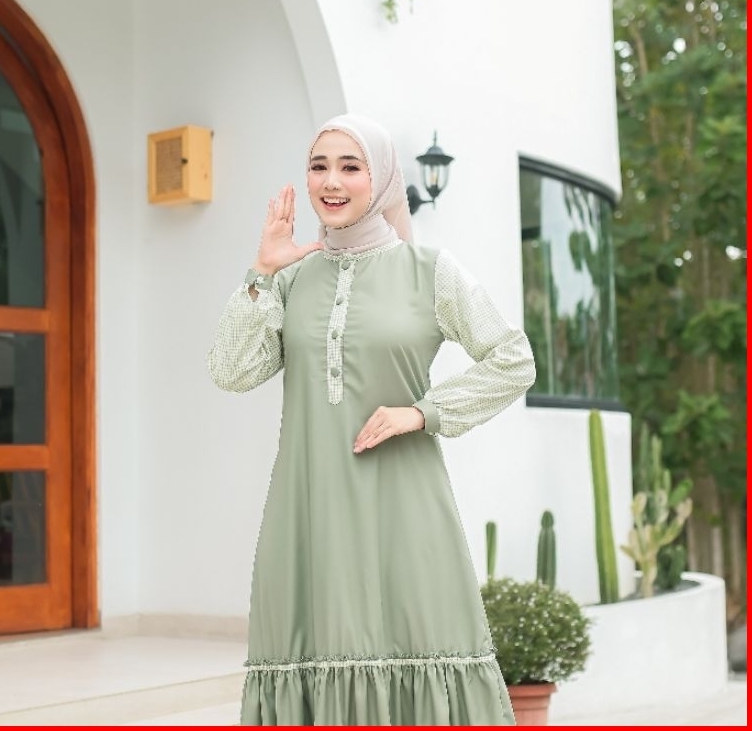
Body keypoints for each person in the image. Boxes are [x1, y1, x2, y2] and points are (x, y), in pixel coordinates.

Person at [207, 113, 536, 726]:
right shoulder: (293, 279)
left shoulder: (428, 270)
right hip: (308, 506)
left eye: (350, 167)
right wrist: (262, 273)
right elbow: (232, 370)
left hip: (403, 504)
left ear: (380, 179)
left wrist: (423, 412)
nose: (331, 181)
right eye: (319, 166)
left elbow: (513, 360)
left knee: (415, 644)